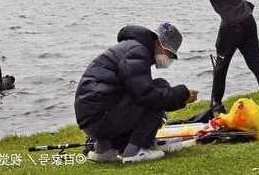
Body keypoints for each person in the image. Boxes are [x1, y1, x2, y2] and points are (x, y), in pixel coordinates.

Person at [74, 22, 198, 163]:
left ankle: (105, 150)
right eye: (170, 53)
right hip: (101, 117)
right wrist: (181, 94)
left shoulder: (131, 48)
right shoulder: (138, 52)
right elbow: (146, 95)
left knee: (152, 91)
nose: (169, 59)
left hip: (92, 118)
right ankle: (136, 151)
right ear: (159, 43)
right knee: (160, 88)